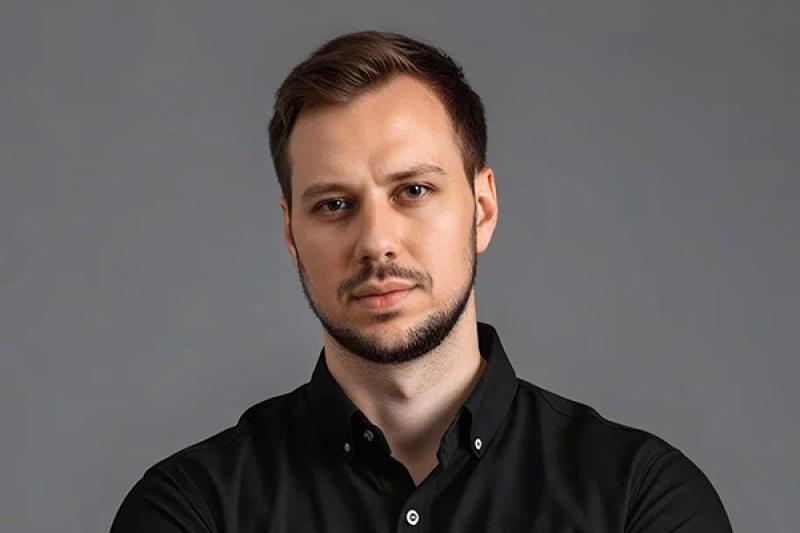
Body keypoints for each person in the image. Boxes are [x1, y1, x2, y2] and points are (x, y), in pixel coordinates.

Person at [110, 30, 732, 532]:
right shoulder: (193, 509)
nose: (376, 242)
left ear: (482, 210)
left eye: (413, 190)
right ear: (291, 233)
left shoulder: (639, 499)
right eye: (334, 204)